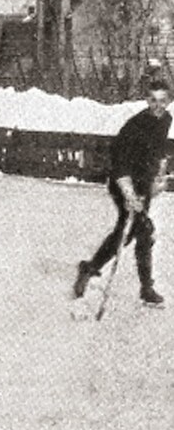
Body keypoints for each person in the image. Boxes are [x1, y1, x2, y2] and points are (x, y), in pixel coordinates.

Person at [72, 81, 173, 306]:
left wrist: (156, 178)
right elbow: (120, 165)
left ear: (169, 101)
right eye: (153, 100)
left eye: (163, 101)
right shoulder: (134, 126)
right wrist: (129, 195)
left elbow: (157, 154)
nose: (158, 106)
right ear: (147, 100)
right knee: (143, 229)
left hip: (142, 183)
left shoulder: (166, 120)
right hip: (122, 182)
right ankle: (145, 287)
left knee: (131, 232)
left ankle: (90, 268)